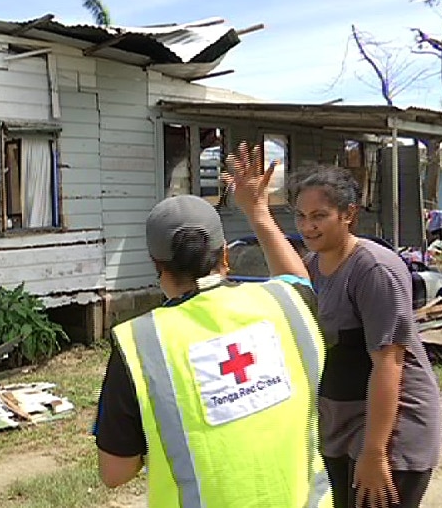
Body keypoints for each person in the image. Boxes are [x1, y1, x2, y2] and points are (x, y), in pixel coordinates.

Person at [92, 144, 332, 508]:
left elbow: (115, 473)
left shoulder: (140, 344)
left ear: (158, 266)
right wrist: (258, 211)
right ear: (224, 255)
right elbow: (298, 279)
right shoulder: (285, 304)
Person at [240, 163, 441, 508]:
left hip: (391, 431)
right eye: (301, 216)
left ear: (349, 214)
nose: (307, 226)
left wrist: (375, 453)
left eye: (319, 215)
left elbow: (389, 364)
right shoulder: (317, 266)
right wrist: (256, 212)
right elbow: (294, 284)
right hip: (341, 428)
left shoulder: (374, 269)